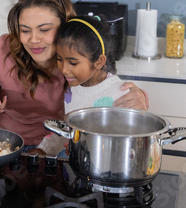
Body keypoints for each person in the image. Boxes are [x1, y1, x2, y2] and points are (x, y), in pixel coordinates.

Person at [0, 0, 148, 149]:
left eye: (44, 30)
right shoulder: (0, 48)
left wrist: (140, 98)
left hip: (57, 147)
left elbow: (106, 89)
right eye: (25, 30)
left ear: (65, 25)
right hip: (5, 144)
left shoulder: (77, 57)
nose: (33, 40)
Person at [36, 15, 131, 156]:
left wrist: (88, 149)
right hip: (76, 170)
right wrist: (43, 149)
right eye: (59, 59)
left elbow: (128, 148)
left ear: (99, 61)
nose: (64, 69)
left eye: (73, 63)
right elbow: (66, 129)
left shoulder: (121, 94)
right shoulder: (71, 88)